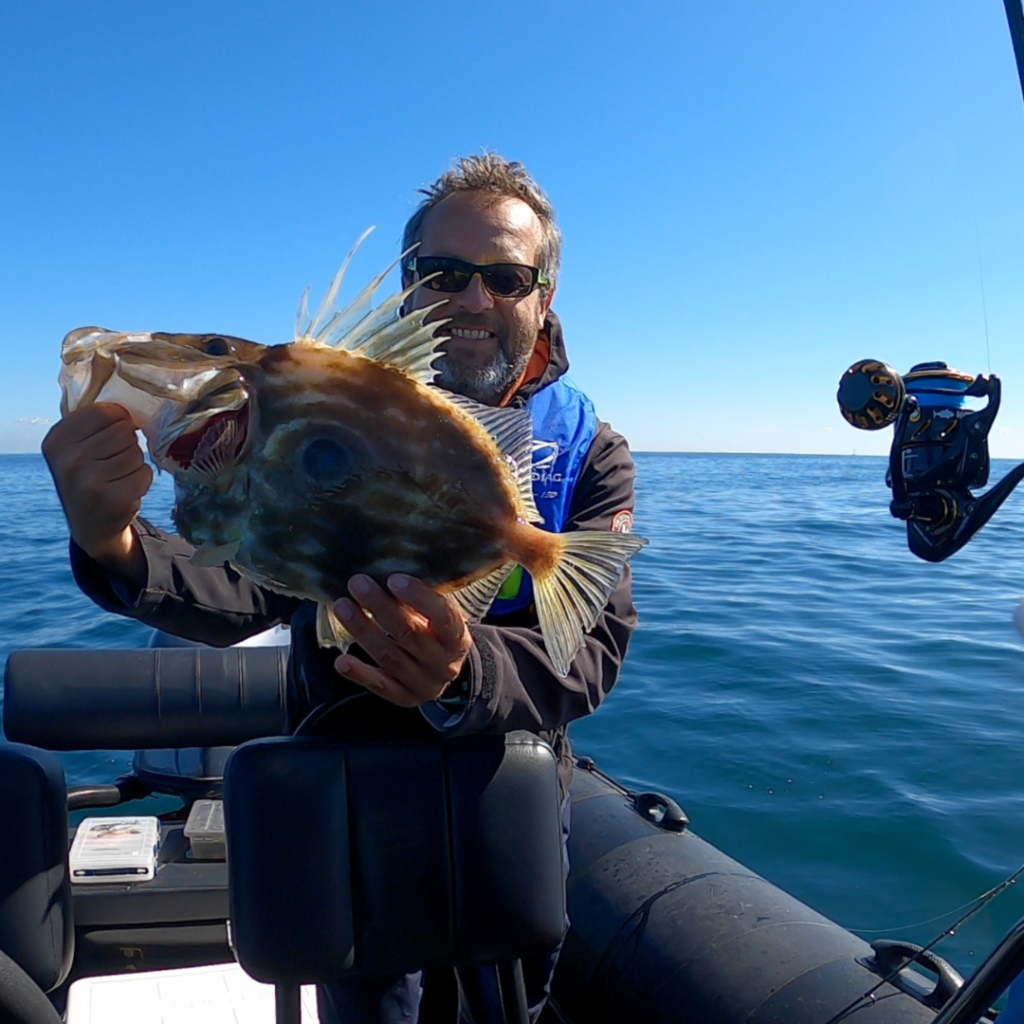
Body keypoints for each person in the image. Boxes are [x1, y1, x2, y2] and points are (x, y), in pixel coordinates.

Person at [43, 154, 640, 1023]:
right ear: (408, 291)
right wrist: (113, 541)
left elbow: (592, 652)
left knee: (506, 1009)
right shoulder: (321, 405)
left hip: (503, 800)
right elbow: (246, 590)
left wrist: (466, 671)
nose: (473, 299)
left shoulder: (593, 454)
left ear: (542, 296)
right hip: (346, 796)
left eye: (506, 277)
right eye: (444, 273)